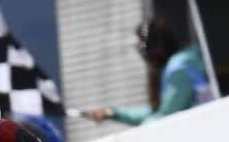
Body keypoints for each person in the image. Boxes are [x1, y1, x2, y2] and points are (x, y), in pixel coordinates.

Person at [84, 19, 213, 127]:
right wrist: (112, 113)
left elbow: (166, 115)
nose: (140, 55)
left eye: (140, 48)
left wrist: (139, 133)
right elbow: (156, 111)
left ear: (154, 47)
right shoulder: (178, 65)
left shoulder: (179, 69)